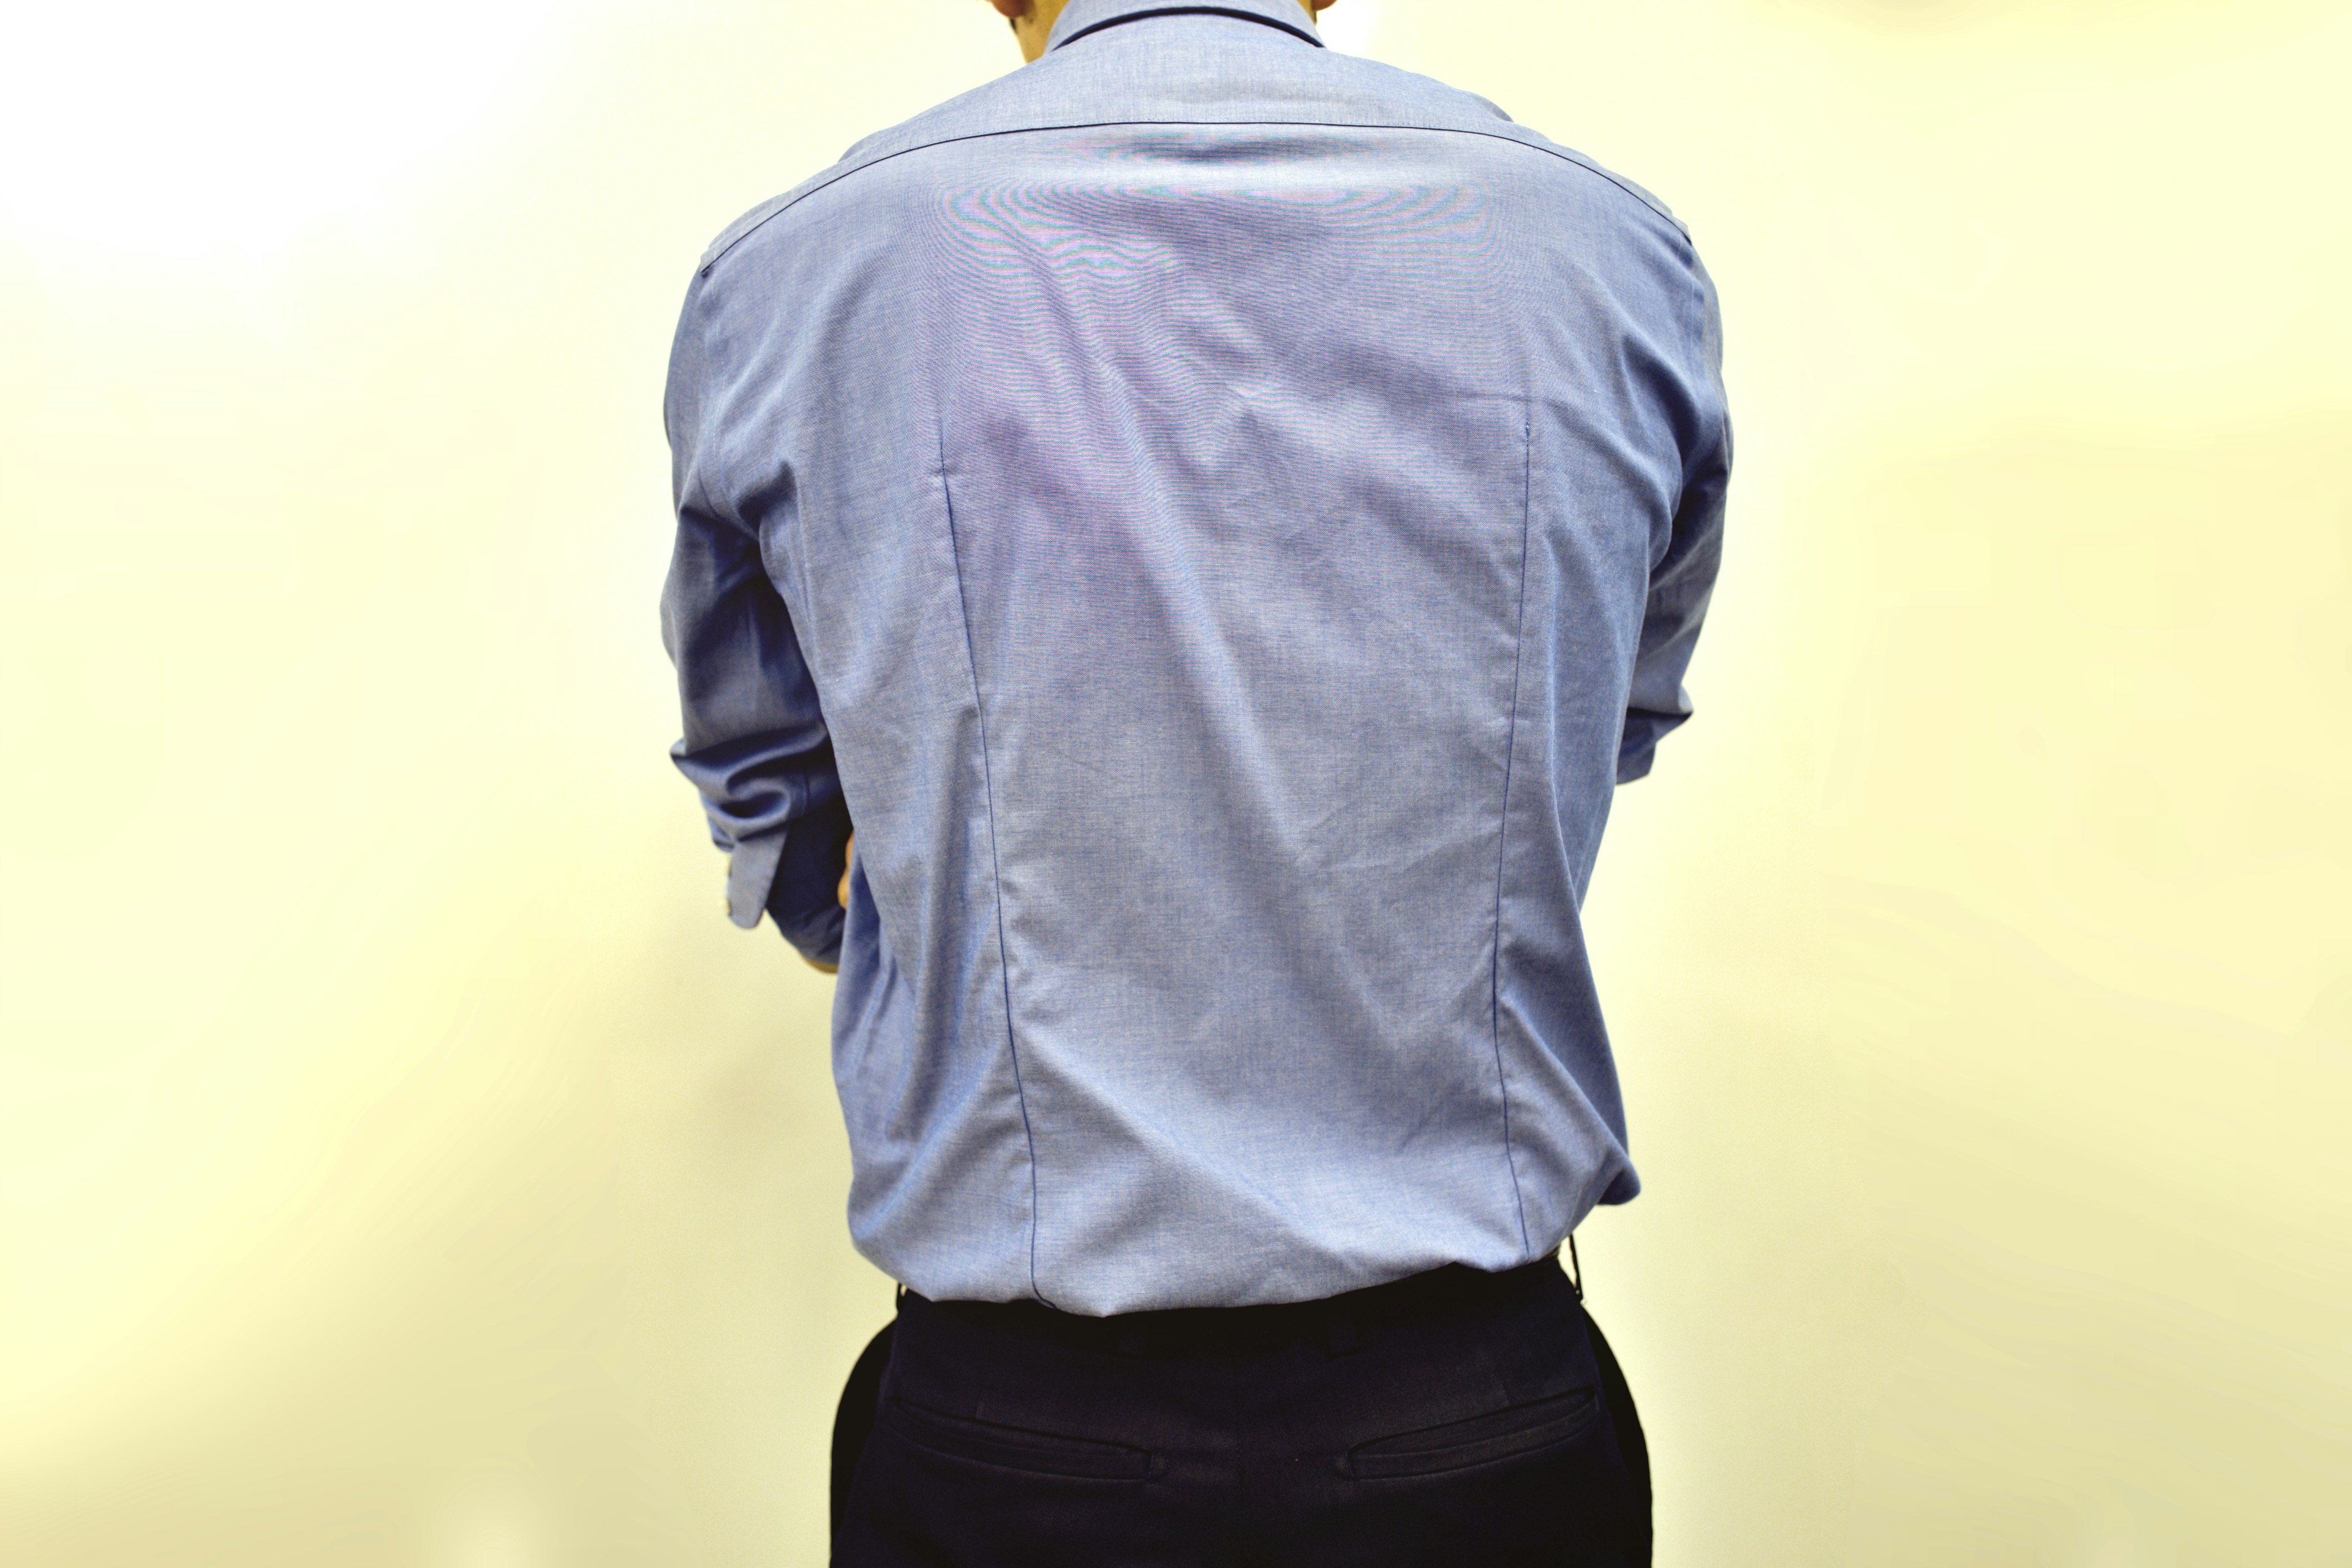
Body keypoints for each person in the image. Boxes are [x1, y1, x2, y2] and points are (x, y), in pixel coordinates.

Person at [659, 0, 1729, 1559]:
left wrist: (957, 885)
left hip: (1015, 1452)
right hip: (1481, 1432)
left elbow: (774, 791)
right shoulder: (1614, 254)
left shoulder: (789, 281)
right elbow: (1608, 717)